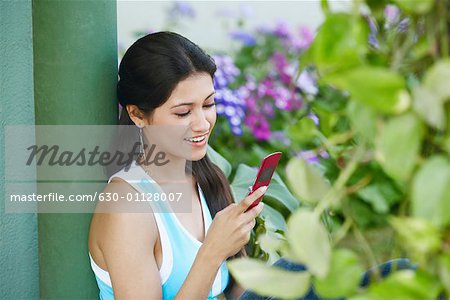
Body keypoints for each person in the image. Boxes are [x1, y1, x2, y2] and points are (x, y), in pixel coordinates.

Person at [88, 31, 266, 300]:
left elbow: (234, 292)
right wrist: (213, 251)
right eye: (183, 112)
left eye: (208, 104)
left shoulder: (208, 178)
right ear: (137, 115)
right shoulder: (127, 208)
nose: (203, 123)